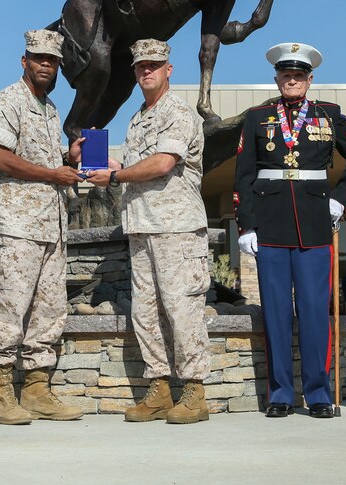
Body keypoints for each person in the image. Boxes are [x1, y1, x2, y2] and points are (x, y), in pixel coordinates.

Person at [234, 42, 346, 419]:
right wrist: (246, 224)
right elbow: (243, 175)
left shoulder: (331, 114)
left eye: (299, 76)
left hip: (314, 222)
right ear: (276, 78)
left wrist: (340, 200)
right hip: (270, 224)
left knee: (312, 310)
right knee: (275, 312)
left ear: (310, 79)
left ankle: (318, 393)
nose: (292, 81)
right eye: (285, 75)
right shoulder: (256, 116)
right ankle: (280, 393)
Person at [87, 39, 211, 425]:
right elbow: (137, 164)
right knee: (145, 313)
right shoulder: (139, 116)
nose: (147, 71)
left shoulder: (178, 112)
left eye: (154, 65)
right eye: (141, 65)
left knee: (182, 308)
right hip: (142, 227)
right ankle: (159, 389)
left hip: (177, 228)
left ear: (169, 70)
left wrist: (116, 175)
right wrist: (104, 162)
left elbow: (161, 164)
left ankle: (194, 392)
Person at [0, 29, 86, 426]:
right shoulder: (7, 100)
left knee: (48, 310)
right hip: (16, 224)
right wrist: (53, 174)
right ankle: (2, 394)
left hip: (50, 224)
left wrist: (67, 156)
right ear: (24, 61)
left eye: (52, 60)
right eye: (38, 57)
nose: (45, 64)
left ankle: (38, 389)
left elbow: (41, 160)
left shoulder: (50, 109)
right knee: (12, 306)